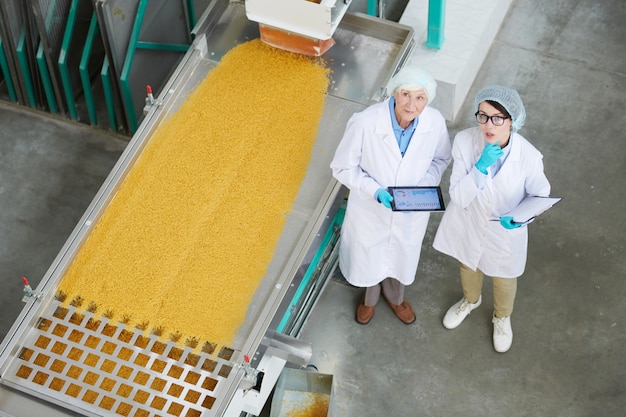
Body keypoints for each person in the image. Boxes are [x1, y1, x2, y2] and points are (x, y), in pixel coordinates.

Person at [432, 85, 551, 352]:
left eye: (498, 118)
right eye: (483, 115)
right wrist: (479, 167)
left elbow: (540, 195)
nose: (488, 125)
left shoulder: (528, 157)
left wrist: (522, 219)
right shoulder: (464, 141)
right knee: (468, 265)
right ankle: (470, 301)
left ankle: (501, 317)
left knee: (504, 277)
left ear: (513, 121)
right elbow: (459, 196)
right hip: (470, 220)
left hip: (505, 231)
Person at [330, 66, 451, 325]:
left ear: (427, 100)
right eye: (406, 94)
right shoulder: (365, 122)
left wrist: (421, 189)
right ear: (395, 93)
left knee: (401, 255)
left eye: (420, 98)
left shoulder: (435, 122)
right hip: (371, 210)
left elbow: (440, 160)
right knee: (370, 258)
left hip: (411, 211)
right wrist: (375, 192)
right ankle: (369, 299)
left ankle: (396, 298)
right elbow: (342, 167)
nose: (411, 104)